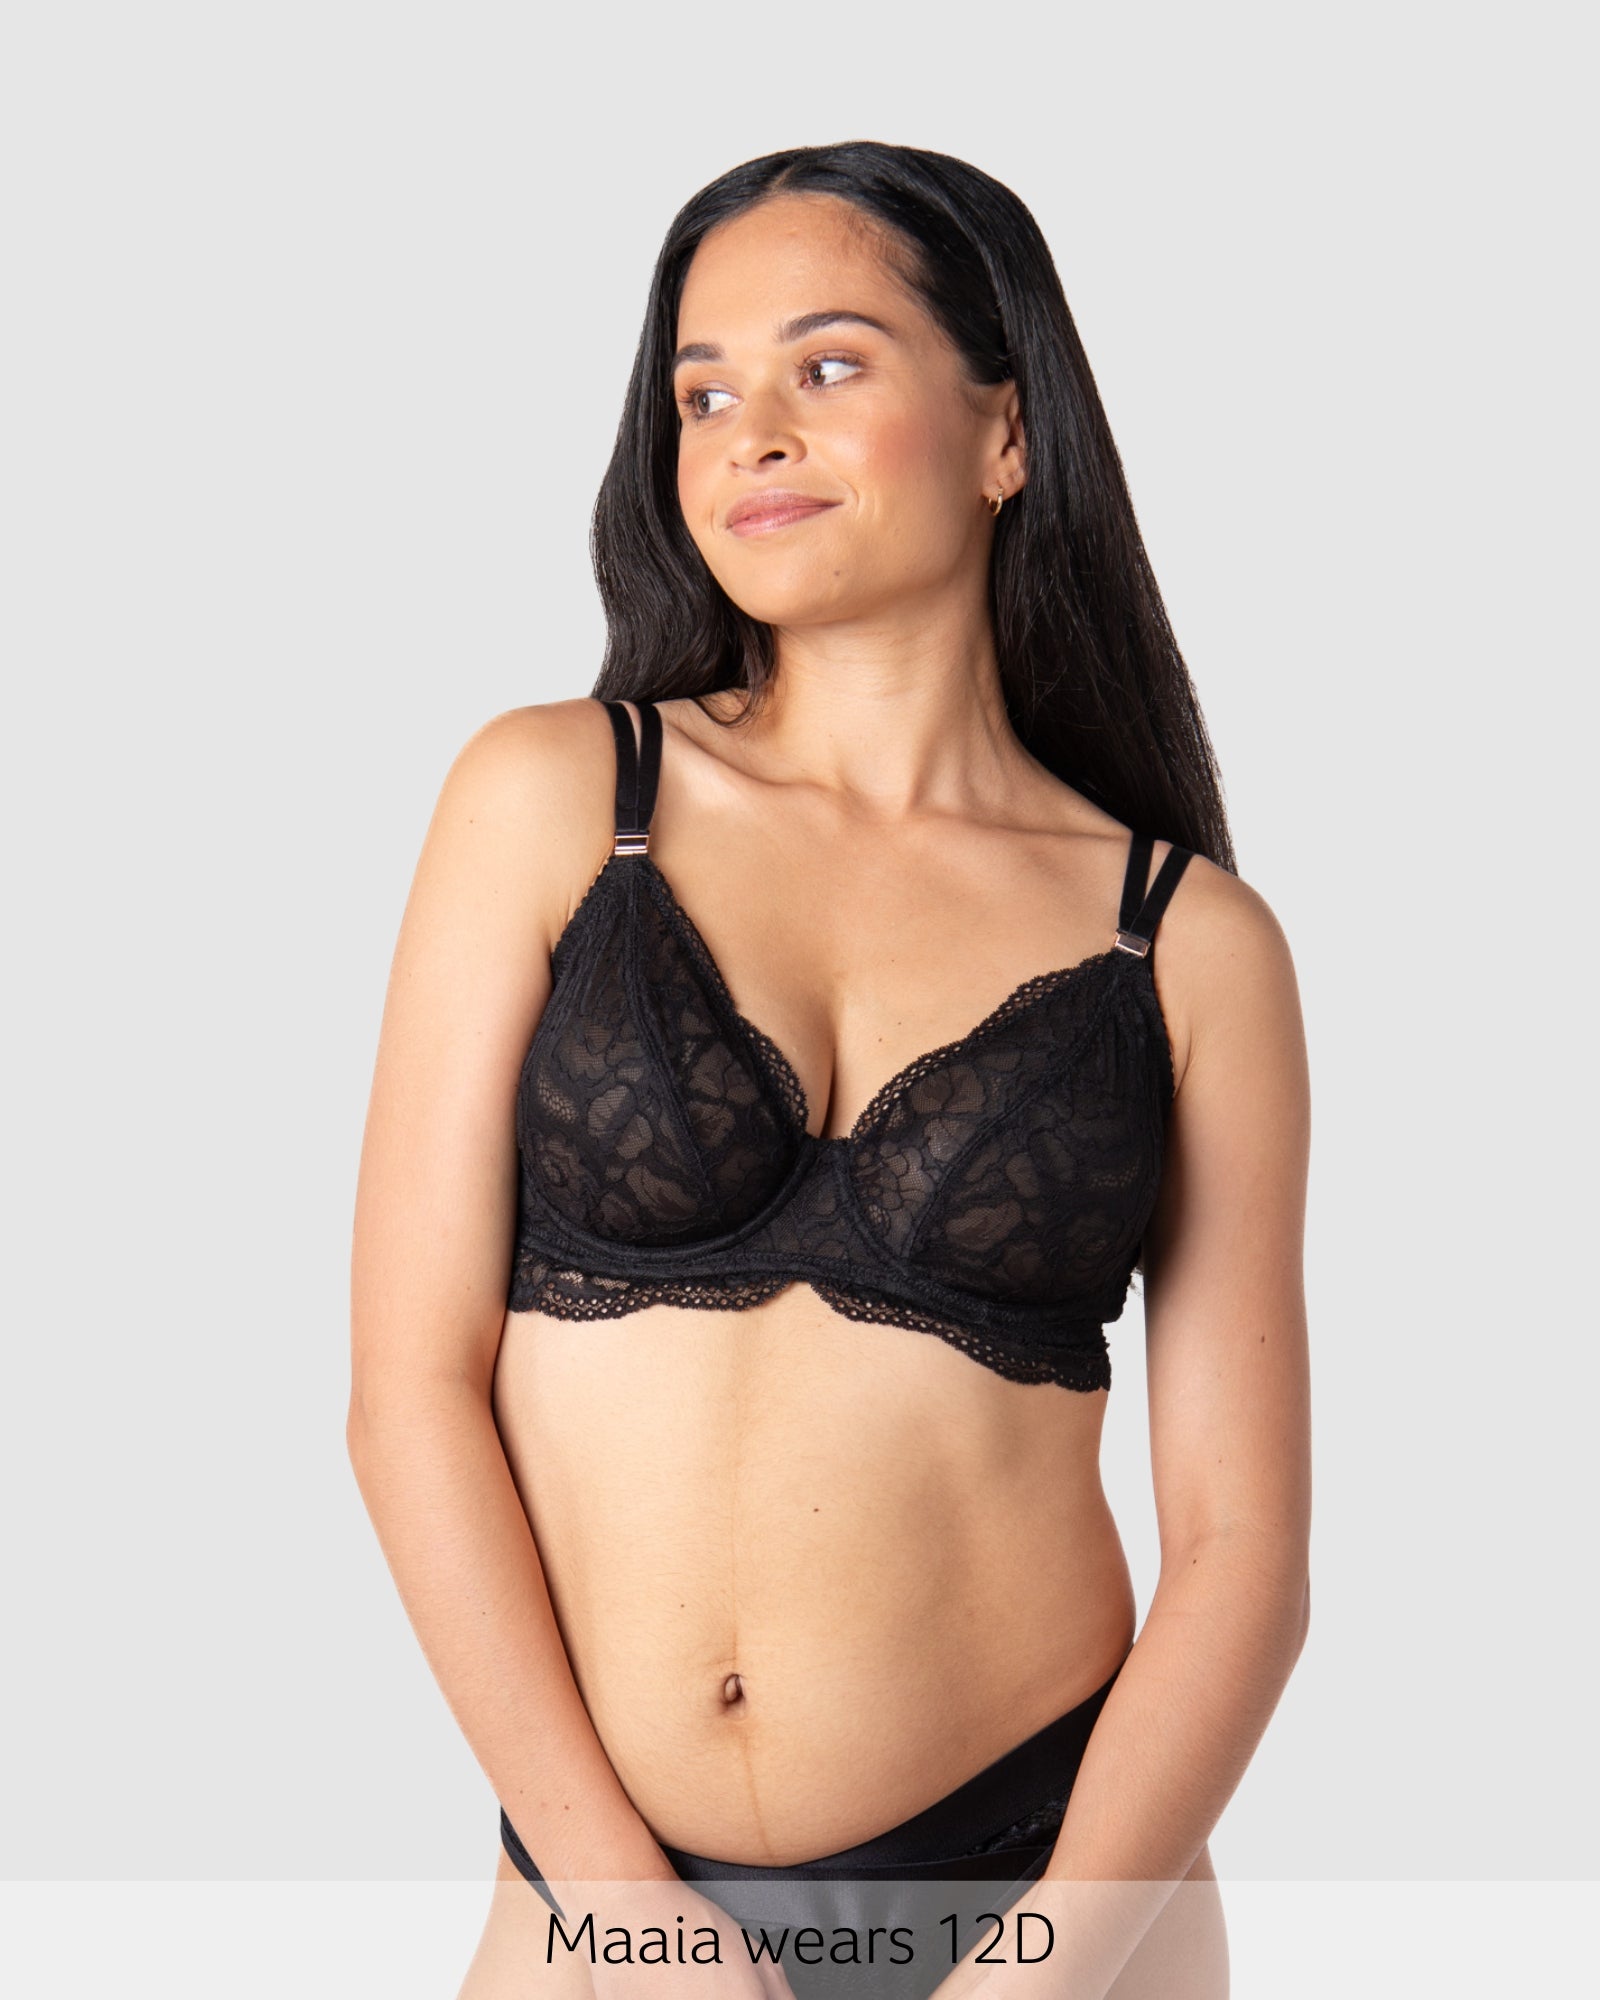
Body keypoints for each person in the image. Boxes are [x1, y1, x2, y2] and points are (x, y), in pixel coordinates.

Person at [348, 142, 1312, 2000]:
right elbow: (408, 1392)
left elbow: (1242, 1550)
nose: (752, 434)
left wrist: (1038, 1971)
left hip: (1052, 1903)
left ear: (1008, 429)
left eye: (830, 364)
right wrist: (623, 1912)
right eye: (703, 393)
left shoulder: (1188, 943)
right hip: (607, 1912)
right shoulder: (553, 799)